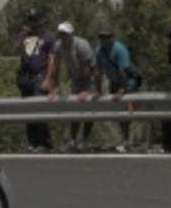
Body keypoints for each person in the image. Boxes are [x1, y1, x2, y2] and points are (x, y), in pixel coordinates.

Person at [45, 21, 97, 152]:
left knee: (89, 109)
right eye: (61, 34)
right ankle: (73, 140)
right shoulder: (58, 46)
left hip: (90, 77)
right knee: (75, 109)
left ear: (71, 35)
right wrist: (54, 88)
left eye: (66, 34)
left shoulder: (81, 45)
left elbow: (87, 69)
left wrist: (85, 90)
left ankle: (85, 140)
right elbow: (55, 68)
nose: (63, 37)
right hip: (76, 78)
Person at [92, 28, 142, 152]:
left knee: (129, 110)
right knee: (120, 113)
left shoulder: (119, 49)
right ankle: (126, 139)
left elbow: (122, 71)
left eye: (107, 37)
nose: (104, 40)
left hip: (129, 82)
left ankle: (132, 139)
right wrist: (98, 90)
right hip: (114, 82)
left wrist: (122, 90)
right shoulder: (99, 51)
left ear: (112, 37)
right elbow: (98, 72)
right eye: (102, 37)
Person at [14, 12, 56, 153]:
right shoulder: (25, 37)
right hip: (26, 75)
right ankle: (32, 141)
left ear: (41, 21)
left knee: (39, 107)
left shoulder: (47, 38)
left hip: (39, 75)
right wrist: (22, 36)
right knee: (28, 109)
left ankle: (44, 142)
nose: (32, 23)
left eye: (35, 20)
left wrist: (48, 79)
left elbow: (51, 59)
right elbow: (16, 50)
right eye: (30, 20)